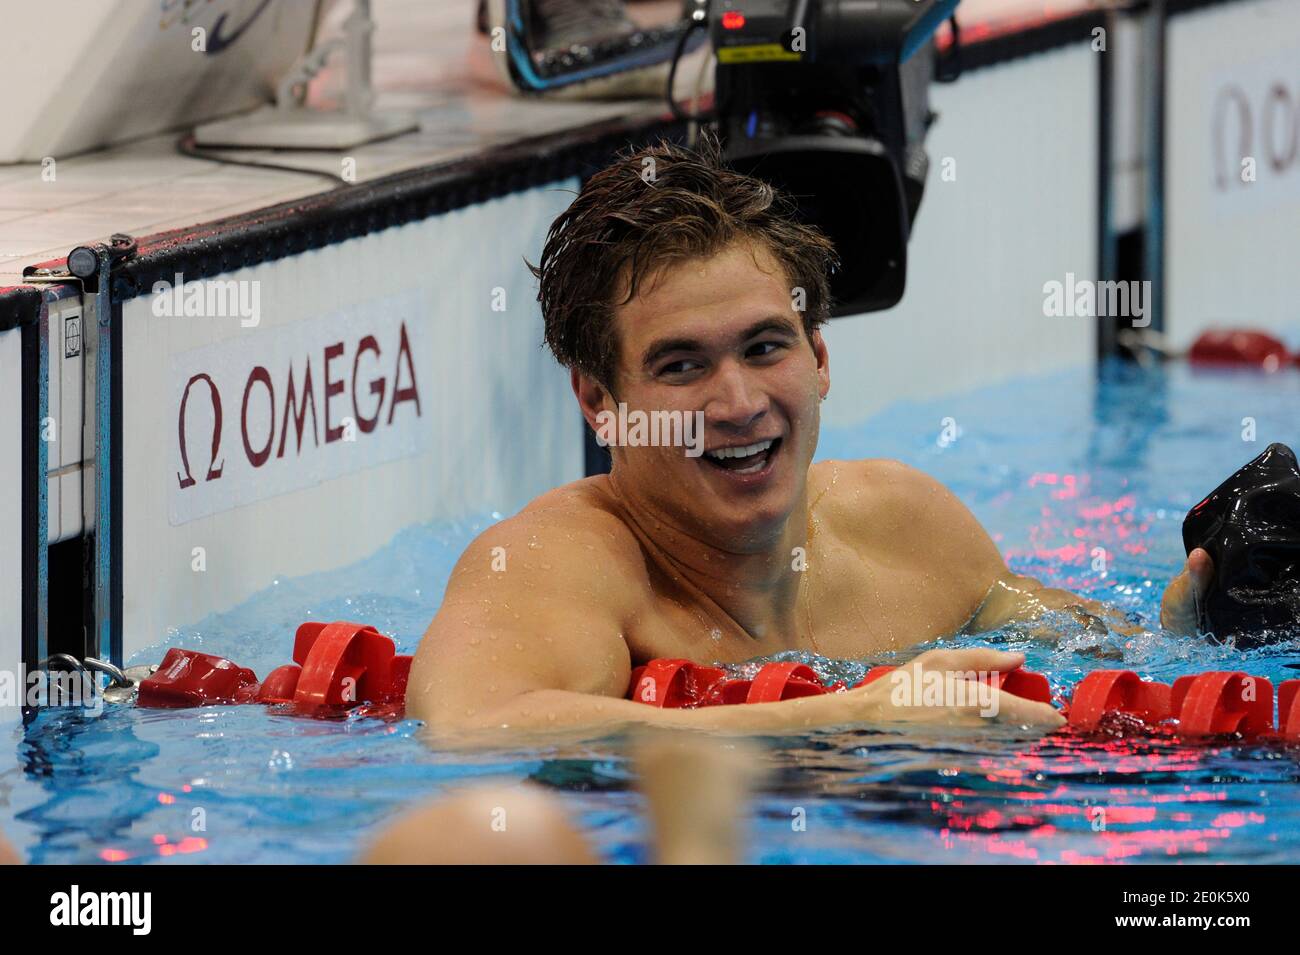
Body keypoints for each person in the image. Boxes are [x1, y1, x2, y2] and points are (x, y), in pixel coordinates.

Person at [407, 134, 1213, 741]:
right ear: (598, 402)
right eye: (682, 365)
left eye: (765, 347)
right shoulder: (562, 563)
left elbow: (1090, 645)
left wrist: (1190, 627)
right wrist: (851, 715)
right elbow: (469, 730)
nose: (738, 402)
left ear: (819, 357)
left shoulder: (904, 522)